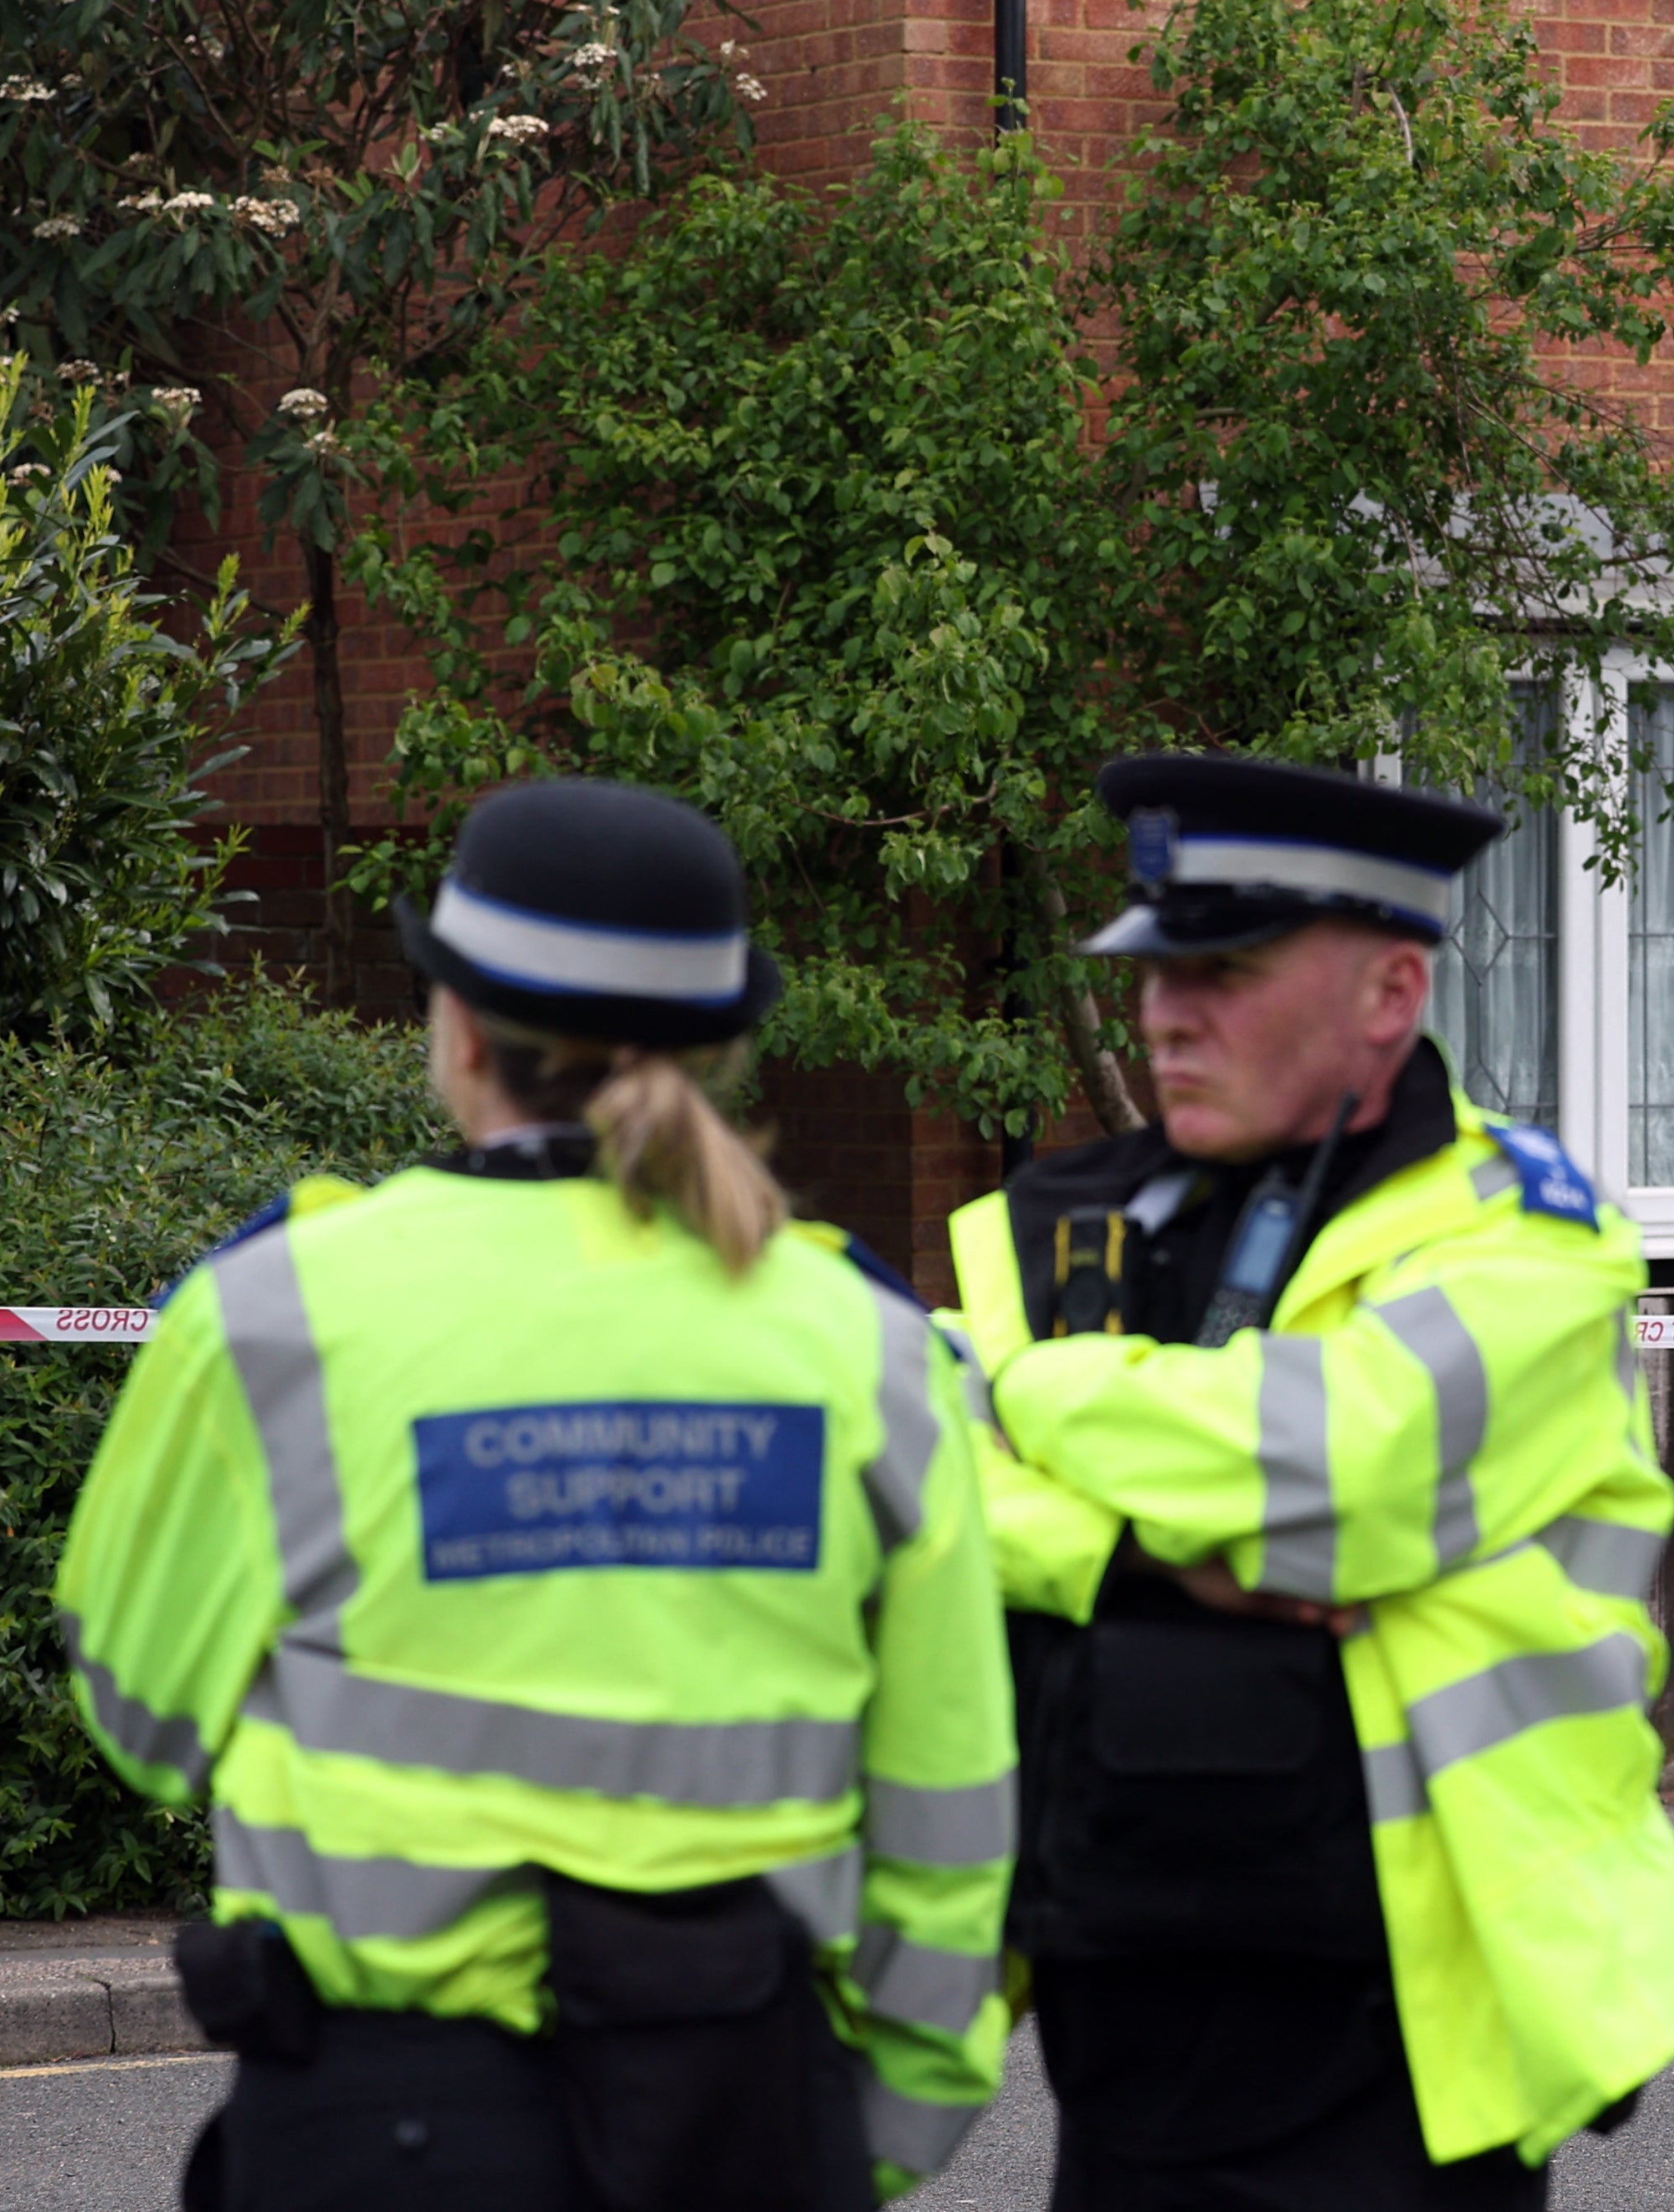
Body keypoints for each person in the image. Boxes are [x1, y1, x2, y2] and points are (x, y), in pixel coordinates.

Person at [58, 778, 1015, 2210]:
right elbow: (950, 1812)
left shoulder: (279, 1315)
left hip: (383, 2127)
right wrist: (872, 2130)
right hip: (753, 2112)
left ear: (454, 1030)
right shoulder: (866, 1343)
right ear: (725, 1052)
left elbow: (139, 1722)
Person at [952, 752, 1674, 2211]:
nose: (1165, 1013)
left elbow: (1334, 1473)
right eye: (1154, 970)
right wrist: (1134, 1555)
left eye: (1225, 972)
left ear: (1388, 996)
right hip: (1113, 1985)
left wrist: (1030, 1397)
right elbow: (918, 1472)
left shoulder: (1527, 1239)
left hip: (1388, 2025)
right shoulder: (1063, 1219)